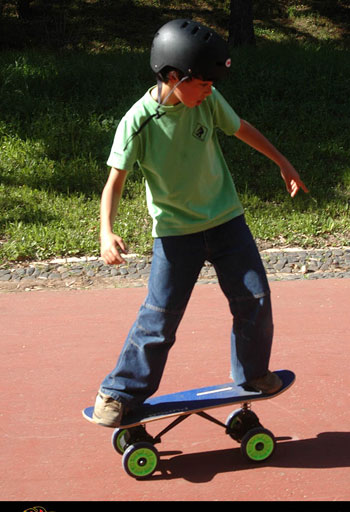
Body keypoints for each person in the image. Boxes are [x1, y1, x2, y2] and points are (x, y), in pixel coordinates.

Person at [93, 19, 308, 427]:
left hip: (227, 220)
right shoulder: (137, 122)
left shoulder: (207, 101)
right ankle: (118, 393)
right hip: (176, 234)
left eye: (212, 85)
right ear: (174, 78)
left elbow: (241, 128)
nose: (210, 91)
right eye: (203, 84)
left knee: (255, 301)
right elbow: (114, 183)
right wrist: (106, 230)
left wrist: (282, 162)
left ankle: (252, 373)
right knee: (159, 319)